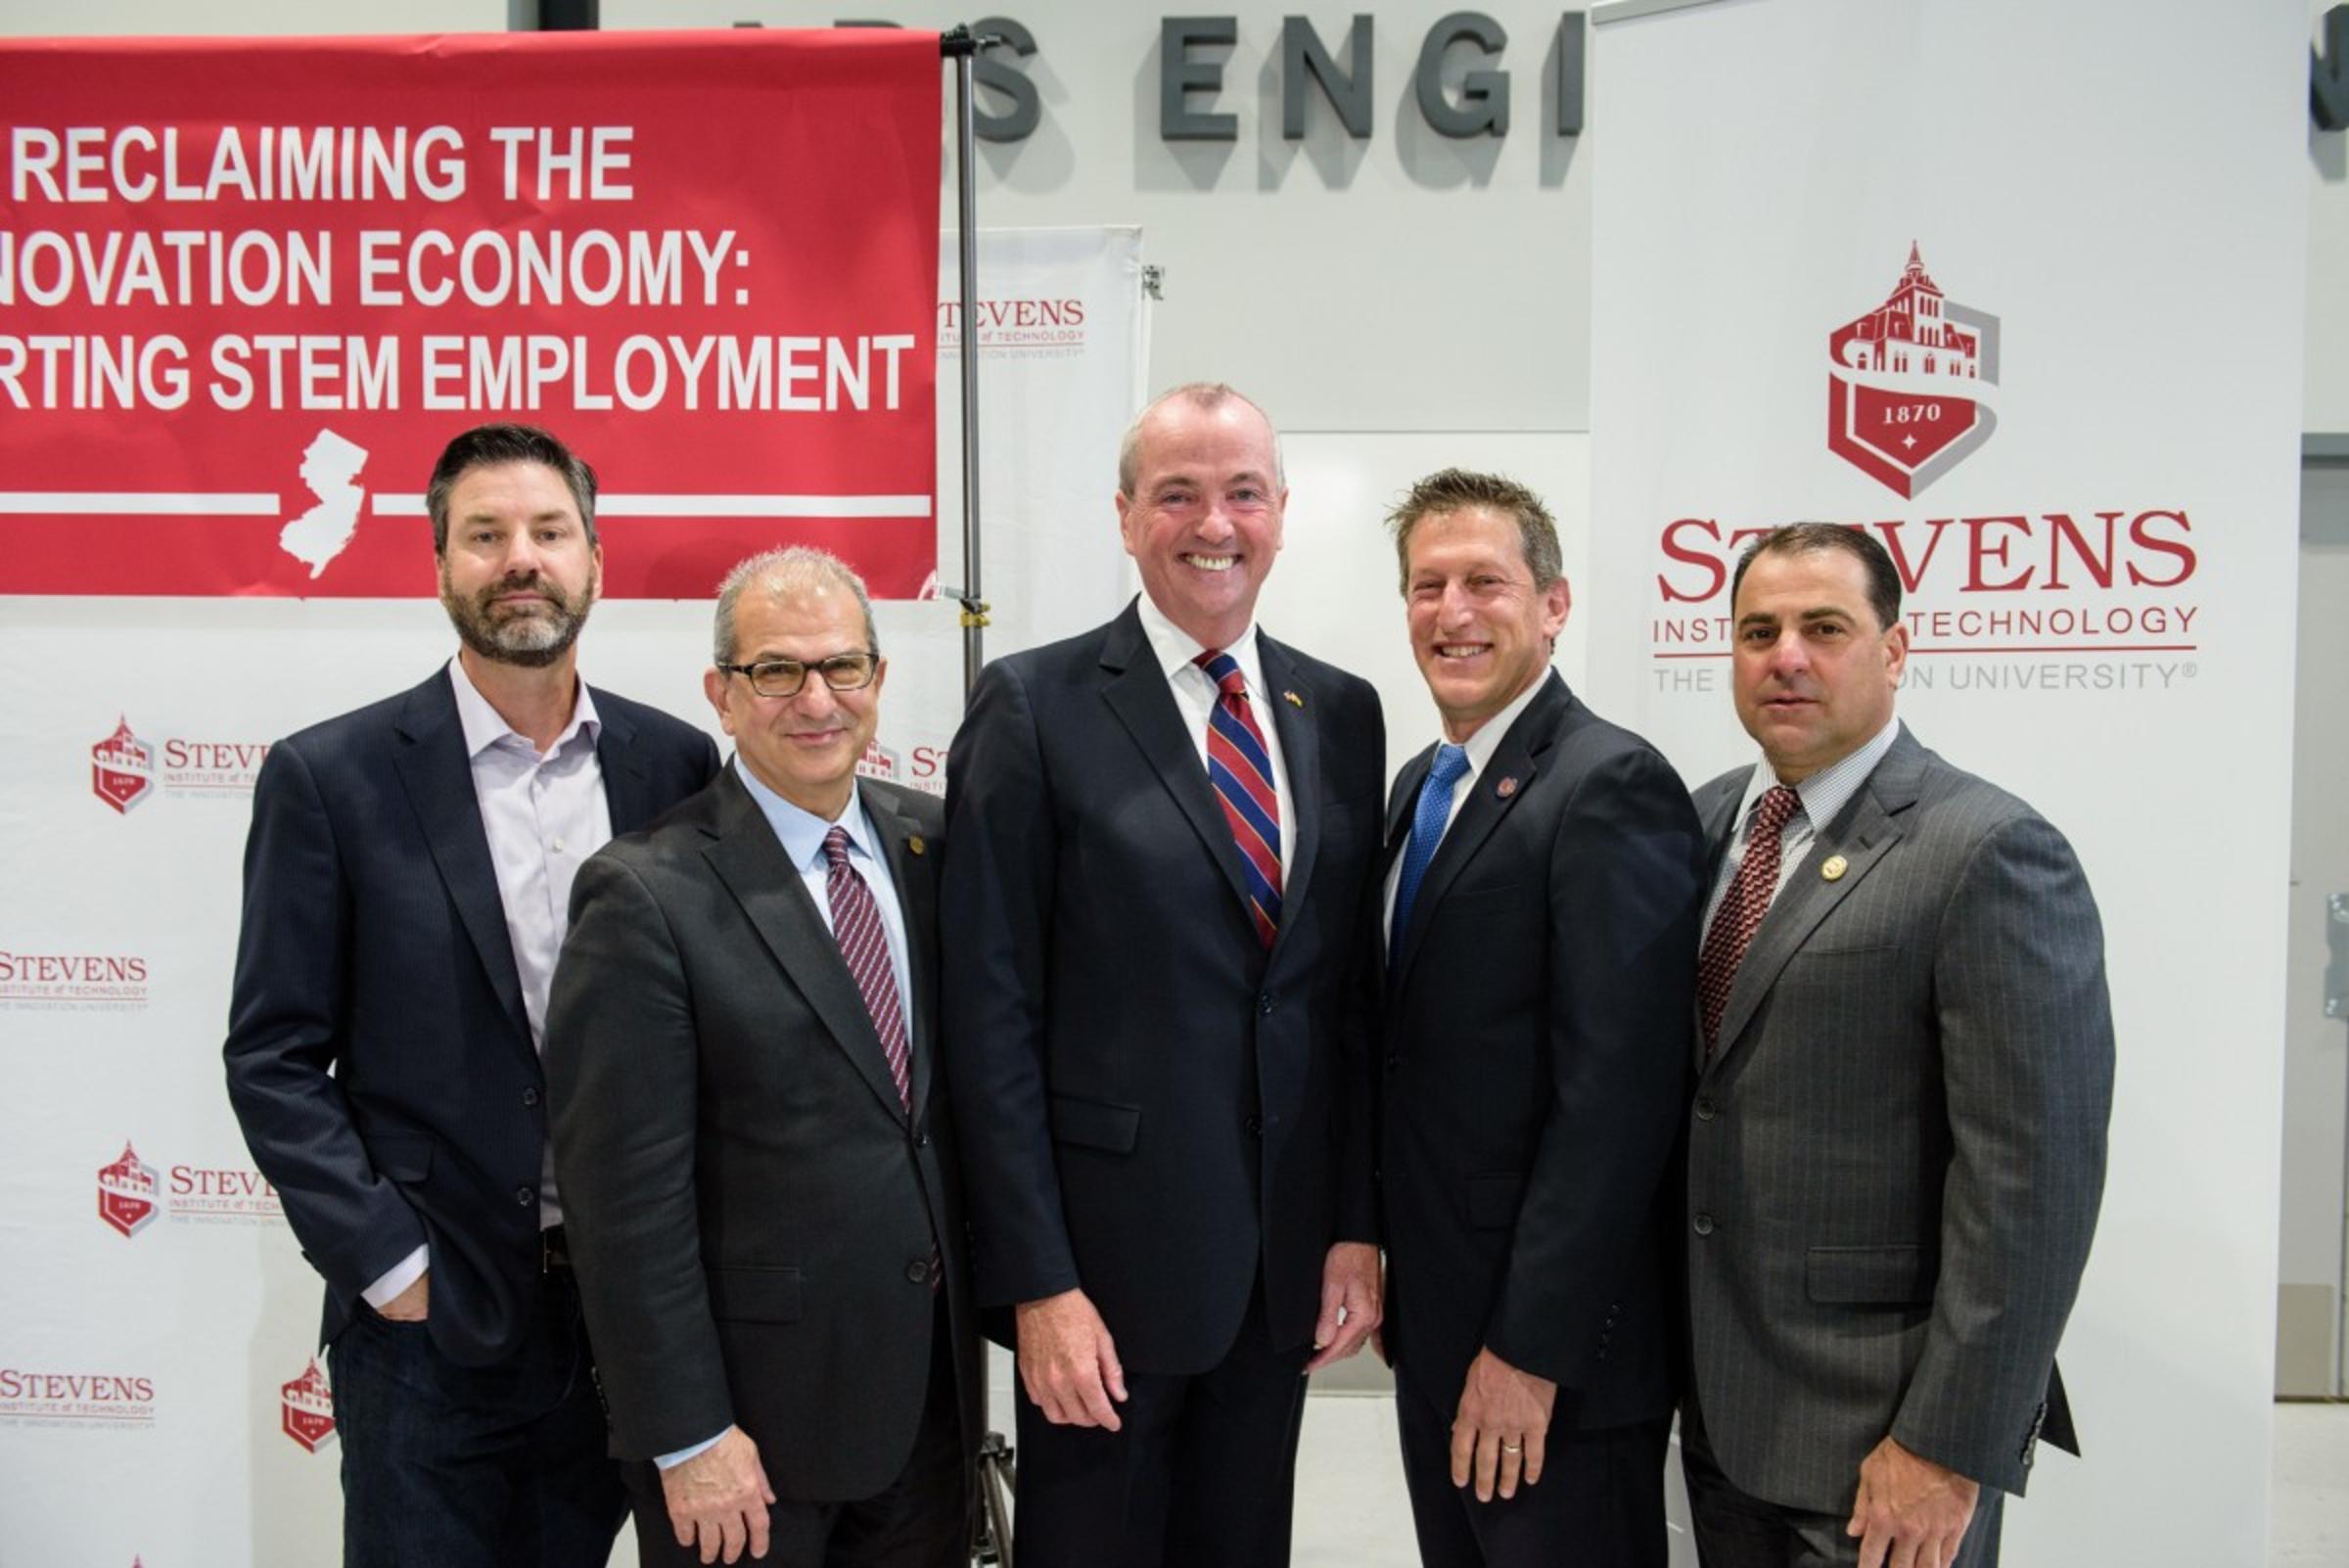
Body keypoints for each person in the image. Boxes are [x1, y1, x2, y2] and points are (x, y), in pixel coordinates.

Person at [222, 423, 721, 1567]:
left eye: (549, 531)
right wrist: (391, 1267)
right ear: (439, 560)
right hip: (429, 1334)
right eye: (485, 535)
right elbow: (273, 1056)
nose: (520, 559)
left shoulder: (675, 765)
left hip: (629, 1318)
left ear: (594, 556)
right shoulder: (330, 778)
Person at [940, 382, 1386, 1567]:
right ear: (1127, 516)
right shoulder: (1033, 705)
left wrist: (1353, 1228)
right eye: (1178, 495)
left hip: (1279, 1278)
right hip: (1105, 1288)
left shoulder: (1342, 712)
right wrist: (1039, 1282)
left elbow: (1343, 1003)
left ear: (1282, 511)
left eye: (1243, 493)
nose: (1214, 524)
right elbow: (988, 1016)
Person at [1681, 523, 2115, 1568]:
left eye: (1824, 628)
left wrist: (1950, 1443)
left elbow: (2032, 1183)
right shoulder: (1701, 824)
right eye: (1758, 631)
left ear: (1896, 649)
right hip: (1723, 1414)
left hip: (1887, 1440)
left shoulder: (1988, 849)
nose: (1786, 656)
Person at [545, 547, 976, 1568]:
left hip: (926, 1414)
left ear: (878, 679)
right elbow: (623, 1205)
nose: (816, 700)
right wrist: (686, 1433)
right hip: (746, 1443)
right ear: (722, 696)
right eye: (777, 670)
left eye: (843, 666)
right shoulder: (644, 892)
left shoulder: (936, 844)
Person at [1374, 469, 1705, 1568]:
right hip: (1437, 1333)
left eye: (1486, 582)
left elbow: (1619, 1102)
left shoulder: (1609, 784)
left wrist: (1530, 1350)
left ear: (1554, 605)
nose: (1453, 612)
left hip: (1549, 1361)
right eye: (1428, 586)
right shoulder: (1422, 785)